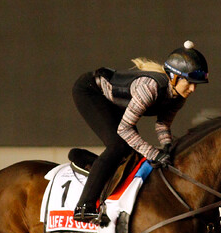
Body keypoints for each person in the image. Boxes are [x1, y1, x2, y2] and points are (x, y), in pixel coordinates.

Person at [71, 40, 209, 222]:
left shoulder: (178, 96)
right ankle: (84, 206)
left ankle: (95, 166)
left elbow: (162, 125)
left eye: (196, 85)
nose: (192, 89)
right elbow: (124, 129)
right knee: (118, 145)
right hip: (90, 91)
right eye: (189, 83)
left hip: (114, 100)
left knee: (130, 150)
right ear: (174, 77)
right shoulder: (150, 88)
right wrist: (154, 154)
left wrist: (168, 147)